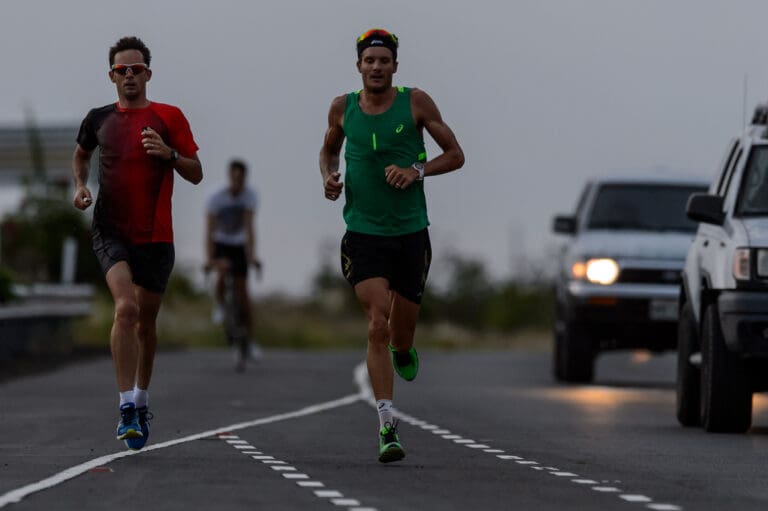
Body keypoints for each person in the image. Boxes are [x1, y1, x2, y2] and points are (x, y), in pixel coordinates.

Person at [319, 28, 465, 462]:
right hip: (363, 233)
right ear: (359, 66)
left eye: (384, 61)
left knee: (400, 334)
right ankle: (387, 423)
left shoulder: (416, 102)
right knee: (376, 323)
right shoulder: (342, 108)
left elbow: (455, 154)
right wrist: (327, 176)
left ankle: (404, 347)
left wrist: (416, 170)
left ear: (395, 66)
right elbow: (327, 150)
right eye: (370, 61)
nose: (377, 67)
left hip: (410, 234)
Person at [72, 36, 202, 450]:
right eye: (121, 70)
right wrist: (80, 186)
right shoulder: (98, 118)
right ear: (111, 75)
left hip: (156, 237)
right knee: (125, 309)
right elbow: (80, 155)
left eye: (137, 69)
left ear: (148, 73)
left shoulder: (169, 116)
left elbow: (196, 172)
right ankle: (126, 405)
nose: (129, 76)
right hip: (110, 231)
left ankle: (141, 399)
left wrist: (168, 154)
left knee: (146, 323)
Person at [205, 159, 263, 372]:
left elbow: (249, 228)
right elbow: (209, 230)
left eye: (241, 179)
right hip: (220, 242)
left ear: (245, 179)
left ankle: (251, 340)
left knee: (244, 295)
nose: (237, 183)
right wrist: (210, 257)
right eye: (234, 178)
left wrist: (252, 255)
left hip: (238, 244)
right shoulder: (216, 197)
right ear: (229, 176)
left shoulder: (250, 196)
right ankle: (220, 304)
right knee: (221, 274)